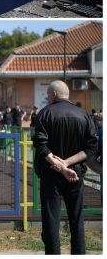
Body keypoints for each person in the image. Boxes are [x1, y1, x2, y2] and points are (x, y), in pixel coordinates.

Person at [32, 80, 99, 255]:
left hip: (50, 175)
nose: (47, 98)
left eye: (48, 95)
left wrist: (59, 165)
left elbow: (40, 145)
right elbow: (91, 148)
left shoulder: (44, 114)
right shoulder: (84, 115)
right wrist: (68, 164)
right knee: (77, 220)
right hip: (75, 175)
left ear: (53, 94)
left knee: (51, 221)